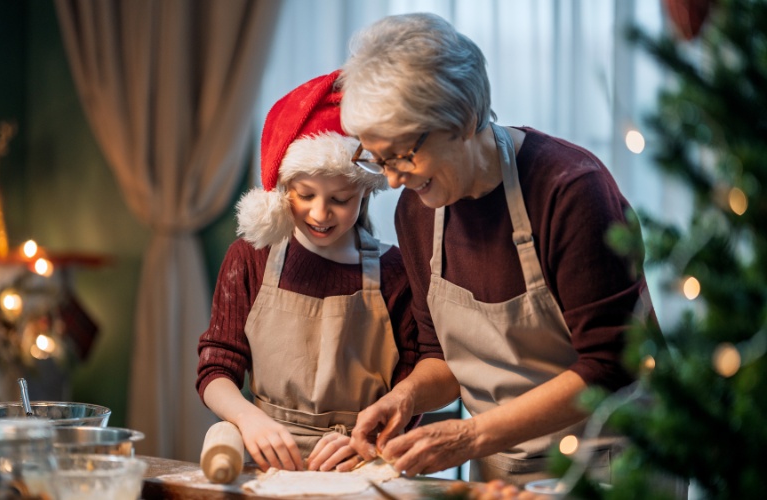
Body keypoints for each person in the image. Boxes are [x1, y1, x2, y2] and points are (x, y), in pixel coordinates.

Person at [338, 13, 656, 486]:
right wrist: (403, 398)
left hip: (610, 463)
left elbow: (610, 365)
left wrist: (470, 437)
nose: (391, 178)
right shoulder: (417, 211)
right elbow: (441, 357)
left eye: (403, 154)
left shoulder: (570, 190)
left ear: (464, 118)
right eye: (376, 158)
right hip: (501, 467)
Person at [195, 71, 447, 473]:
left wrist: (371, 443)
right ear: (282, 189)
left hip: (361, 459)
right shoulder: (251, 257)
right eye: (305, 194)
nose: (320, 213)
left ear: (366, 191)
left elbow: (410, 384)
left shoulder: (395, 270)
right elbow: (217, 367)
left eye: (341, 199)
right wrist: (248, 418)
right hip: (268, 453)